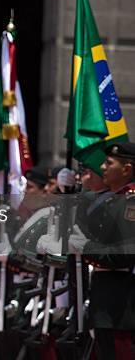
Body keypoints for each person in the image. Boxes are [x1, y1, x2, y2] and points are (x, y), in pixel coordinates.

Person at [69, 143, 135, 359]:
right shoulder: (113, 201)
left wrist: (84, 247)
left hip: (120, 308)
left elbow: (121, 256)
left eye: (109, 163)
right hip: (107, 307)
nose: (102, 167)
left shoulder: (130, 203)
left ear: (126, 169)